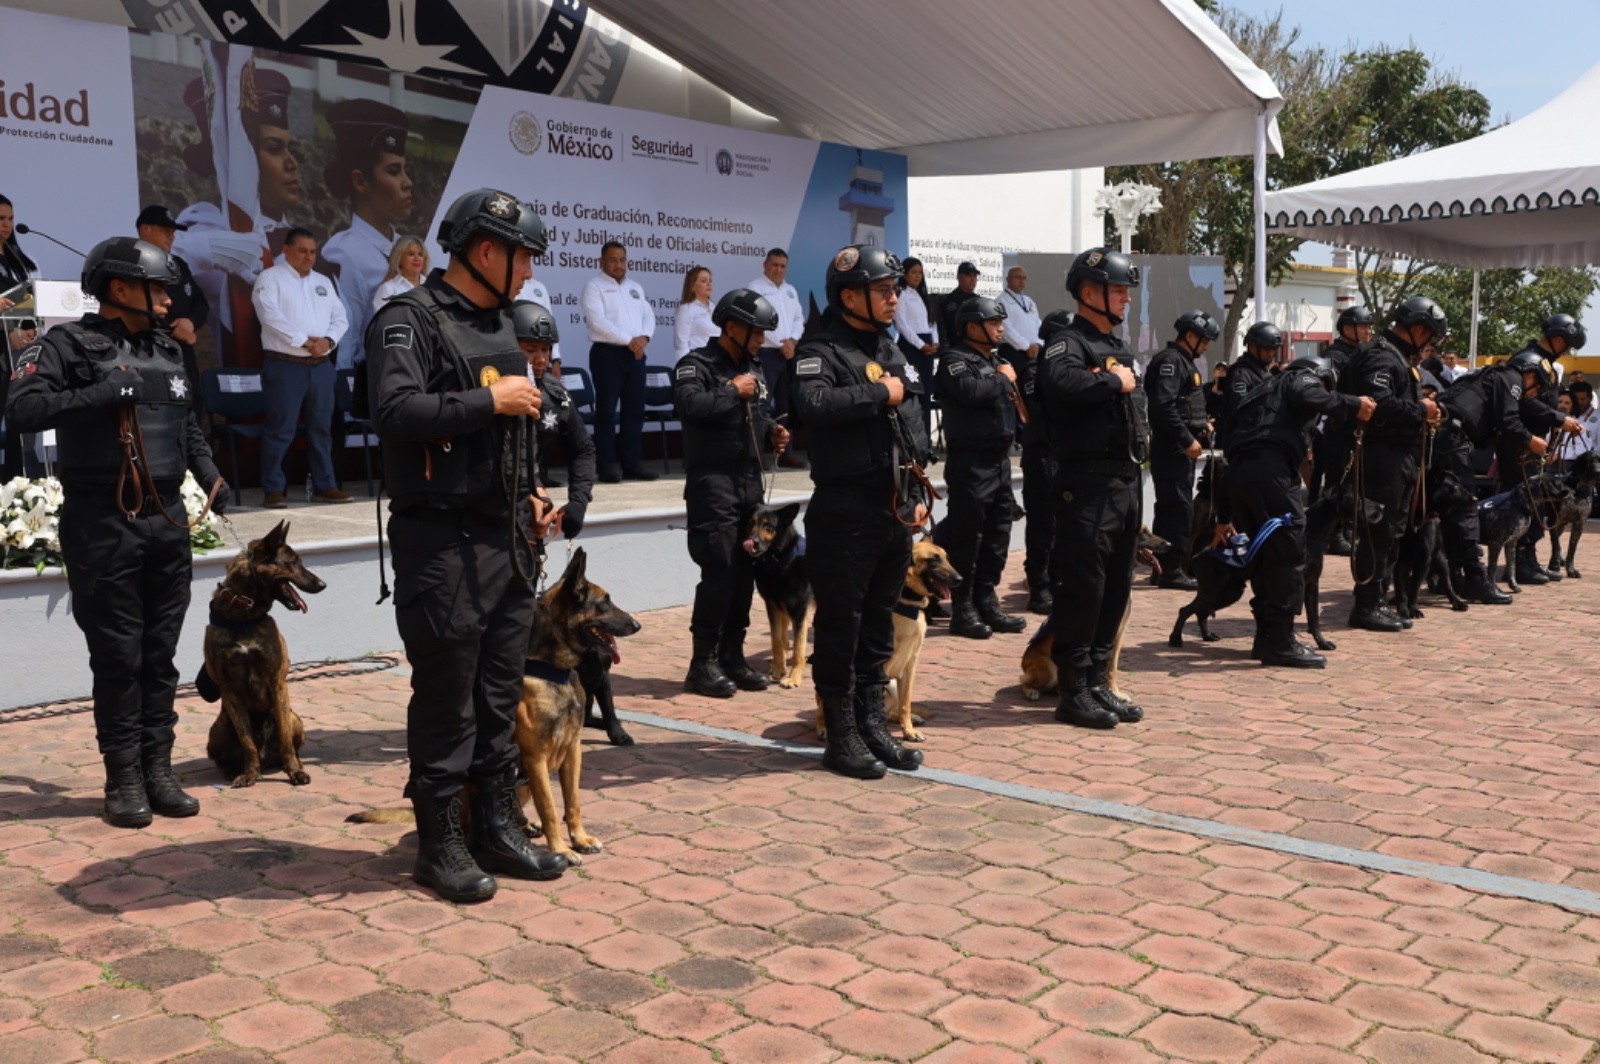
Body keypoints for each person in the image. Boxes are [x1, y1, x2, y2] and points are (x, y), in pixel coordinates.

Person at [367, 187, 568, 903]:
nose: (529, 273)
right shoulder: (407, 320)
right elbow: (392, 411)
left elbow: (520, 433)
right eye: (523, 258)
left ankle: (494, 824)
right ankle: (439, 842)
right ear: (486, 251)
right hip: (440, 539)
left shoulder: (504, 324)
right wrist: (491, 400)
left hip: (506, 535)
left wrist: (533, 494)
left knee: (494, 693)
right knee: (447, 696)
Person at [6, 237, 225, 827]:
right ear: (119, 289)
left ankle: (159, 770)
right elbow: (22, 410)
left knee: (159, 656)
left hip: (166, 523)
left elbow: (188, 427)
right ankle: (122, 778)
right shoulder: (65, 345)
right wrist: (103, 392)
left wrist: (208, 474)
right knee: (118, 657)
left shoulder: (169, 350)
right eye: (155, 288)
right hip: (103, 523)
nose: (165, 299)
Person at [794, 245, 930, 778]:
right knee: (841, 626)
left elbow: (914, 421)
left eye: (895, 288)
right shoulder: (820, 349)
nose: (894, 297)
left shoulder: (889, 348)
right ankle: (841, 732)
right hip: (844, 509)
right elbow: (814, 406)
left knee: (878, 622)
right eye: (883, 290)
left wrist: (918, 493)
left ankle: (874, 723)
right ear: (849, 296)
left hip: (893, 509)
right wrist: (879, 392)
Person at [1037, 248, 1148, 730]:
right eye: (1119, 289)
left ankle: (1101, 678)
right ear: (1089, 292)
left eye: (1126, 291)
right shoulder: (1068, 343)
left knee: (1116, 587)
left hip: (1124, 481)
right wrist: (1110, 381)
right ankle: (1074, 688)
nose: (1126, 298)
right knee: (1084, 588)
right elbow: (1059, 382)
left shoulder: (1117, 347)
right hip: (1086, 484)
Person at [1217, 356, 1374, 667]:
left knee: (1264, 557)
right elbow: (1309, 394)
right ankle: (1282, 642)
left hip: (1240, 478)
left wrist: (1223, 516)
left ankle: (1265, 638)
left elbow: (1233, 450)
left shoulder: (1259, 393)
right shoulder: (1300, 379)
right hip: (1271, 473)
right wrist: (1354, 404)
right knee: (1289, 552)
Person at [673, 288, 789, 698]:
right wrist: (731, 391)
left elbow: (757, 412)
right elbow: (688, 406)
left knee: (745, 571)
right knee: (720, 569)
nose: (761, 340)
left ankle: (732, 656)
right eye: (756, 332)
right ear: (732, 326)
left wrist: (771, 431)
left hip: (749, 482)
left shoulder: (754, 367)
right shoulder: (697, 364)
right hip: (713, 483)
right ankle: (702, 663)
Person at [174, 66, 301, 368]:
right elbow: (167, 252)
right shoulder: (206, 223)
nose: (291, 163)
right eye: (272, 148)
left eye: (290, 148)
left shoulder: (299, 238)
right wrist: (211, 248)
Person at [1342, 296, 1445, 631]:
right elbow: (1380, 404)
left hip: (1397, 457)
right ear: (1417, 329)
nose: (1429, 344)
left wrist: (1423, 410)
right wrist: (1421, 411)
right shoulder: (1383, 356)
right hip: (1381, 458)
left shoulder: (1396, 356)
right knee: (1378, 532)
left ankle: (1377, 600)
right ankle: (1366, 605)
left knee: (1390, 532)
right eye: (1429, 336)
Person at [934, 295, 1025, 639]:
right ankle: (963, 608)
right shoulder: (955, 360)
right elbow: (970, 391)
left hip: (999, 461)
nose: (1000, 328)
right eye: (993, 322)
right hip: (970, 463)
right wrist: (1002, 378)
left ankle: (987, 599)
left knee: (997, 535)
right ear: (972, 327)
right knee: (966, 539)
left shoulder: (996, 359)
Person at [251, 228, 352, 508]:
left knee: (321, 428)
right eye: (302, 250)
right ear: (286, 250)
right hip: (286, 365)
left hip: (321, 365)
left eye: (312, 251)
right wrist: (304, 341)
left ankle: (325, 485)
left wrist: (328, 341)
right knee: (280, 428)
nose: (309, 256)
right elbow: (269, 316)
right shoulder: (270, 278)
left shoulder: (322, 281)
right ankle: (273, 489)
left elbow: (340, 317)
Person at [1435, 349, 1546, 604]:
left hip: (1440, 438)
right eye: (1535, 386)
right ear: (1529, 375)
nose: (1531, 393)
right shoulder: (1512, 378)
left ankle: (1449, 576)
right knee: (1465, 507)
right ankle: (1475, 578)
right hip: (1454, 441)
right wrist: (1530, 441)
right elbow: (1509, 419)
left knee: (1443, 510)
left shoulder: (1483, 376)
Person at [321, 100, 412, 369]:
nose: (408, 183)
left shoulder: (407, 249)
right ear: (361, 181)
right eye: (394, 171)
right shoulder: (343, 253)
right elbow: (345, 338)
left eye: (406, 170)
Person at [1505, 314, 1588, 583]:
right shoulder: (1527, 361)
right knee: (1521, 503)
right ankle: (1517, 563)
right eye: (1568, 344)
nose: (1569, 351)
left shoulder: (1545, 364)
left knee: (1534, 504)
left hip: (1535, 444)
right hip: (1519, 444)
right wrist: (1560, 419)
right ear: (1558, 339)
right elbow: (1524, 403)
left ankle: (1528, 558)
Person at [1144, 310, 1220, 588]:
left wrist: (1201, 425)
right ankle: (1172, 569)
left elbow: (1183, 405)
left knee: (1172, 507)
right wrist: (1187, 439)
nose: (1207, 346)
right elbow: (1163, 407)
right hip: (1173, 449)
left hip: (1178, 447)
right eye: (1204, 340)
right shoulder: (1171, 362)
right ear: (1190, 336)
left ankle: (1162, 567)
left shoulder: (1182, 362)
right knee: (1178, 509)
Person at [512, 301, 593, 537]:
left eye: (546, 350)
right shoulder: (485, 389)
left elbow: (583, 449)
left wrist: (578, 503)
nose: (540, 360)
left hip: (531, 515)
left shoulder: (555, 394)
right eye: (531, 350)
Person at [582, 241, 657, 483]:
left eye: (622, 260)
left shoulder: (636, 287)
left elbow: (648, 316)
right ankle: (606, 467)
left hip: (635, 355)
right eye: (613, 260)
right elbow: (598, 322)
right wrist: (630, 341)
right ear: (601, 262)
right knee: (606, 413)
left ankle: (633, 465)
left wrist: (644, 338)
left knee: (634, 412)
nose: (618, 265)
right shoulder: (594, 287)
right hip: (608, 355)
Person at [1019, 309, 1073, 613]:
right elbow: (1043, 412)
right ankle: (1038, 586)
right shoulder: (1033, 372)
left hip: (1066, 457)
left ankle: (1057, 581)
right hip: (1042, 457)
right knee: (1043, 525)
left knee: (1065, 525)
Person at [135, 206, 211, 402]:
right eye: (165, 231)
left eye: (173, 232)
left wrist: (190, 323)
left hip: (183, 352)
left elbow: (200, 303)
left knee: (192, 406)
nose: (172, 237)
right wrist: (174, 328)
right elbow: (135, 308)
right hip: (150, 351)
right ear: (146, 229)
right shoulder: (131, 265)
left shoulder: (179, 265)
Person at [748, 248, 807, 468]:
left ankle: (784, 452)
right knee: (761, 404)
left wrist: (792, 340)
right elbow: (758, 321)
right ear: (765, 264)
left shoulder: (790, 290)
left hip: (787, 353)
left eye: (782, 266)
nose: (778, 270)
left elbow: (799, 318)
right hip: (766, 353)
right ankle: (757, 453)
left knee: (785, 404)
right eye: (774, 265)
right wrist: (782, 343)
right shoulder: (755, 288)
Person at [0, 194, 40, 480]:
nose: (7, 225)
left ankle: (17, 486)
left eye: (10, 219)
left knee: (17, 423)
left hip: (16, 355)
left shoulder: (19, 260)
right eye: (0, 219)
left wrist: (28, 328)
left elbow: (29, 300)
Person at [892, 257, 940, 447]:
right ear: (904, 274)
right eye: (914, 272)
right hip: (912, 346)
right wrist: (921, 344)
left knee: (926, 392)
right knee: (914, 393)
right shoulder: (901, 294)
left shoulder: (921, 294)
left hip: (927, 345)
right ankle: (913, 440)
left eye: (920, 272)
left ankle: (926, 440)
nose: (918, 276)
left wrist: (935, 342)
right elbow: (902, 325)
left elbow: (932, 321)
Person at [997, 265, 1042, 374]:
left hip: (1033, 352)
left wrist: (1038, 344)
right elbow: (1006, 329)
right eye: (1018, 277)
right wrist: (1026, 347)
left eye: (1024, 278)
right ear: (1007, 279)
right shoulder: (1001, 301)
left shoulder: (1029, 301)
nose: (1021, 281)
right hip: (1013, 352)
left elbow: (1038, 324)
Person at [372, 235, 429, 312]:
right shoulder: (388, 289)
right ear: (399, 259)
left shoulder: (432, 287)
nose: (417, 258)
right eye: (411, 254)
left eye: (420, 254)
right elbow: (383, 322)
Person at [673, 265, 715, 361]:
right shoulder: (686, 309)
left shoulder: (715, 308)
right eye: (704, 281)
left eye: (710, 281)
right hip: (698, 362)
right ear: (692, 286)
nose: (709, 284)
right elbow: (681, 345)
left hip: (717, 363)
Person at [937, 261, 981, 350]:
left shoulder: (978, 300)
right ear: (958, 277)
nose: (972, 279)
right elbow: (946, 328)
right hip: (956, 348)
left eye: (975, 276)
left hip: (975, 348)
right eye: (969, 275)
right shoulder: (949, 300)